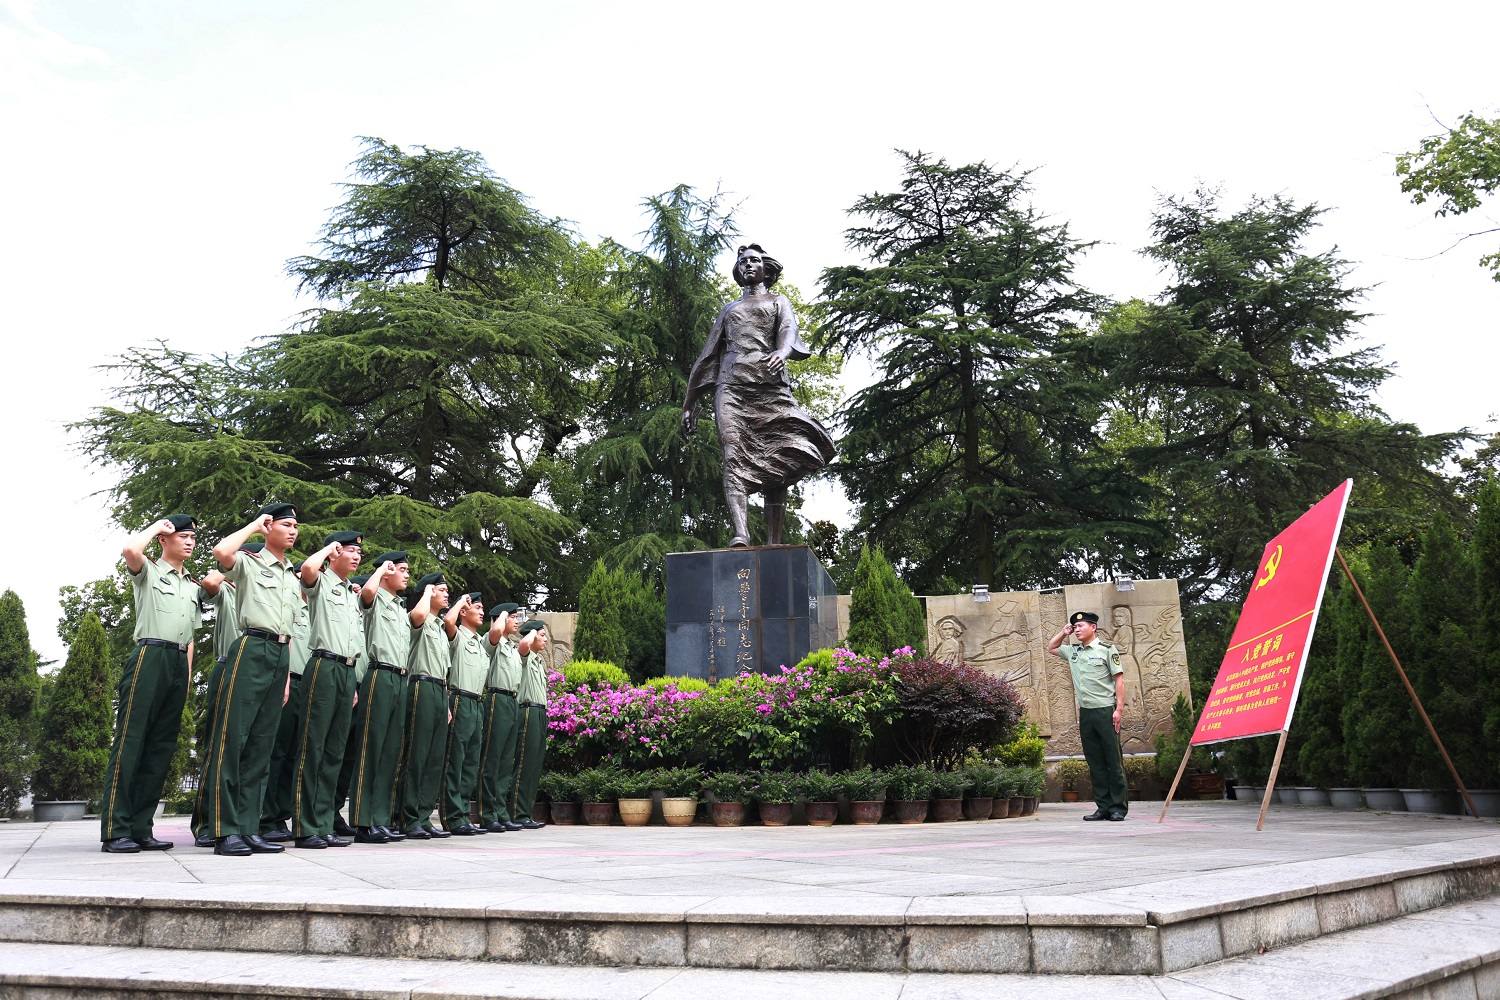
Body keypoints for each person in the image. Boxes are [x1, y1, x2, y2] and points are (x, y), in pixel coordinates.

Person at [680, 244, 836, 546]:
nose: (747, 265)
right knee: (733, 454)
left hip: (770, 387)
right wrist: (689, 404)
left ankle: (773, 540)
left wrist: (782, 350)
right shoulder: (730, 310)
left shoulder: (779, 301)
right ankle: (741, 533)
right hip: (733, 387)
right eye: (742, 262)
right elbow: (707, 355)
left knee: (779, 457)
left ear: (766, 268)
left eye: (753, 261)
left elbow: (788, 330)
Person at [100, 514, 217, 854]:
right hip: (149, 656)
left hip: (178, 663)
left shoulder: (192, 585)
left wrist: (186, 674)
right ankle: (115, 829)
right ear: (165, 540)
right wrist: (156, 526)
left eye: (193, 537)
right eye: (182, 536)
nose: (190, 541)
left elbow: (191, 636)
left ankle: (140, 827)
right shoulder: (149, 571)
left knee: (161, 748)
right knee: (131, 741)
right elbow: (129, 549)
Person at [203, 504, 302, 857]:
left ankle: (248, 826)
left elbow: (288, 628)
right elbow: (221, 552)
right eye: (286, 525)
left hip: (280, 654)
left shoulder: (292, 576)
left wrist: (287, 676)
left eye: (296, 526)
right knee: (234, 739)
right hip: (250, 647)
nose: (293, 531)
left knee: (262, 744)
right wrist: (253, 526)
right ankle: (224, 829)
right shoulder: (249, 561)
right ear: (269, 526)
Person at [288, 530, 365, 848]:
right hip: (322, 665)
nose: (357, 555)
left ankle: (323, 821)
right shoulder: (320, 582)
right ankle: (306, 826)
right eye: (349, 550)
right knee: (313, 748)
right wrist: (327, 550)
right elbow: (307, 570)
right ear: (334, 554)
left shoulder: (351, 592)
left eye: (359, 552)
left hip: (347, 671)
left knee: (334, 750)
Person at [190, 541, 259, 849]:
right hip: (227, 666)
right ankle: (206, 823)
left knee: (248, 749)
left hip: (253, 670)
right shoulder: (230, 590)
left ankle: (241, 821)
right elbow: (209, 583)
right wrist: (230, 570)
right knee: (220, 746)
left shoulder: (260, 594)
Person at [349, 552, 413, 844]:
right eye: (401, 569)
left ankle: (380, 819)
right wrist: (380, 570)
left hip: (400, 677)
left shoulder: (401, 608)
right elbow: (368, 593)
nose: (406, 574)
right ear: (386, 572)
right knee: (371, 749)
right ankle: (363, 821)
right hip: (379, 674)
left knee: (390, 751)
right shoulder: (374, 598)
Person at [1047, 610, 1128, 822]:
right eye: (1075, 626)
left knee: (1113, 760)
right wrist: (1063, 632)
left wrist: (1119, 709)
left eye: (1081, 626)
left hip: (1106, 710)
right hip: (1086, 713)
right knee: (1095, 762)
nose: (1077, 629)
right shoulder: (1073, 651)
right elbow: (1051, 647)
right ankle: (1103, 807)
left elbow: (1119, 680)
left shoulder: (1107, 650)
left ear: (1094, 627)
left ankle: (1118, 807)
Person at [395, 572, 453, 838]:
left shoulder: (439, 626)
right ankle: (407, 817)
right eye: (441, 589)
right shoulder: (418, 618)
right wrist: (427, 593)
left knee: (434, 758)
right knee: (417, 755)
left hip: (440, 689)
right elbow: (416, 617)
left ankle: (423, 815)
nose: (446, 594)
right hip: (421, 685)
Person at [258, 570, 310, 842]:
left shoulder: (314, 609)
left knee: (293, 754)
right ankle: (266, 818)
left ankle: (281, 817)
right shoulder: (289, 605)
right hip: (287, 680)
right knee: (276, 752)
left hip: (308, 684)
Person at [439, 592, 488, 835]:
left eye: (482, 608)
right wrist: (460, 601)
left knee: (471, 763)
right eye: (476, 607)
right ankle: (452, 817)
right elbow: (448, 621)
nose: (481, 612)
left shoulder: (480, 643)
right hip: (460, 699)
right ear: (463, 612)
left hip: (477, 703)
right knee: (455, 760)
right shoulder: (457, 636)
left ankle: (463, 815)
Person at [476, 602, 522, 832]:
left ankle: (500, 811)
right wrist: (501, 617)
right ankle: (487, 812)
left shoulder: (511, 647)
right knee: (491, 759)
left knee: (505, 761)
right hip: (496, 698)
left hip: (512, 701)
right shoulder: (491, 640)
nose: (515, 621)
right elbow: (494, 632)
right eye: (512, 617)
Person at [331, 572, 369, 839]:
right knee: (334, 751)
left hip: (363, 689)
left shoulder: (366, 618)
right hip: (343, 683)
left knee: (350, 758)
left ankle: (334, 813)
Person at [508, 619, 549, 830]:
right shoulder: (523, 656)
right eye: (541, 635)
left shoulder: (539, 662)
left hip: (540, 712)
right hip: (528, 711)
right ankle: (517, 813)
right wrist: (533, 632)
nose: (545, 639)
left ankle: (526, 811)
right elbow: (523, 645)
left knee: (534, 765)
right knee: (524, 763)